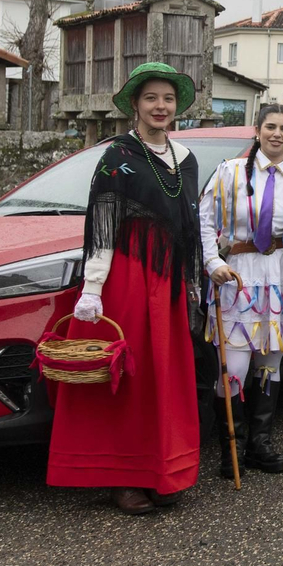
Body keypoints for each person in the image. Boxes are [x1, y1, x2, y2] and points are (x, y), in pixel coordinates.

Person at [48, 62, 202, 515]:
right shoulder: (118, 157)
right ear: (135, 105)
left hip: (169, 280)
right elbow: (102, 224)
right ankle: (122, 478)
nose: (160, 106)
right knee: (130, 382)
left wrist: (192, 279)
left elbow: (189, 225)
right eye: (151, 98)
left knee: (166, 379)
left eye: (168, 99)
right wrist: (92, 289)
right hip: (129, 278)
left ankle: (163, 472)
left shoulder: (186, 159)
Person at [198, 102, 283, 476]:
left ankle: (260, 444)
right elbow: (204, 219)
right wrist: (212, 262)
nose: (277, 133)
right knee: (234, 367)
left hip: (282, 275)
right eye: (270, 126)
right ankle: (232, 445)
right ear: (257, 131)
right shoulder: (229, 173)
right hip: (240, 275)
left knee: (270, 363)